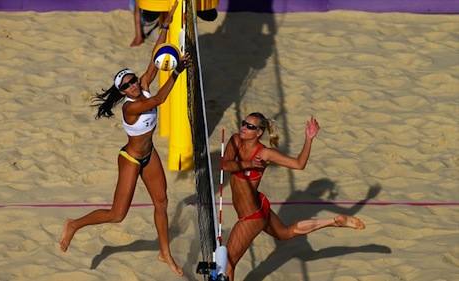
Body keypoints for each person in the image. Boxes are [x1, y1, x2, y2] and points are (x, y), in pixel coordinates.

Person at [59, 1, 188, 276]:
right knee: (117, 215)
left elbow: (155, 56)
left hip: (149, 153)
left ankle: (165, 253)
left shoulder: (142, 86)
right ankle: (74, 224)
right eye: (127, 84)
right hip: (130, 159)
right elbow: (160, 99)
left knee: (162, 202)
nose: (133, 84)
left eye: (133, 79)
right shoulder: (132, 106)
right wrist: (176, 72)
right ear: (122, 92)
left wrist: (167, 20)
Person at [221, 112, 365, 280]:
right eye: (243, 123)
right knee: (285, 234)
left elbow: (299, 164)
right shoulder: (235, 140)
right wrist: (249, 164)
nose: (243, 128)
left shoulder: (265, 153)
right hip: (258, 205)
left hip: (250, 216)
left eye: (249, 126)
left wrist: (309, 139)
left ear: (259, 132)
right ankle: (333, 222)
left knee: (228, 264)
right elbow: (225, 165)